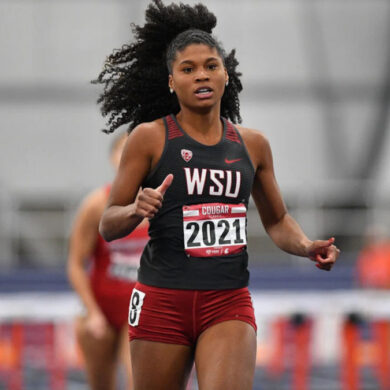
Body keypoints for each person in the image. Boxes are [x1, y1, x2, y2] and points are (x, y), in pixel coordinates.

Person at [94, 1, 340, 389]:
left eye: (211, 65)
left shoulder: (253, 145)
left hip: (227, 302)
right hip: (162, 300)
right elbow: (107, 225)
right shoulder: (149, 138)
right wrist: (134, 210)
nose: (201, 75)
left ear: (226, 74)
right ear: (171, 81)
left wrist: (306, 244)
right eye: (187, 69)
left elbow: (277, 221)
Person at [67, 133, 149, 390]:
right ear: (113, 158)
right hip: (102, 307)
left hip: (141, 309)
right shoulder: (96, 205)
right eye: (123, 151)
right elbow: (76, 263)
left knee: (140, 381)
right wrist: (92, 312)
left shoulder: (162, 203)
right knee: (101, 384)